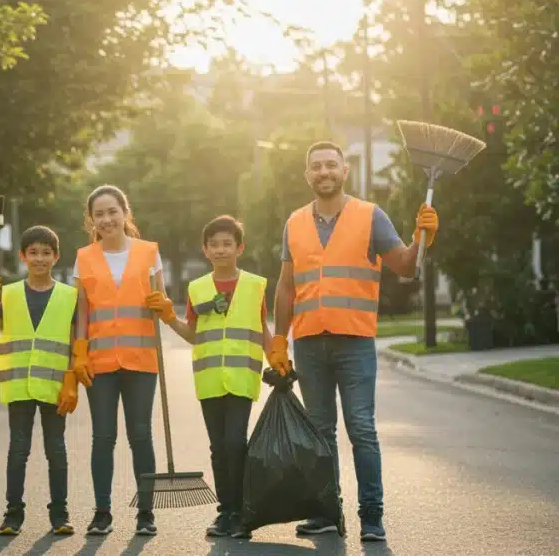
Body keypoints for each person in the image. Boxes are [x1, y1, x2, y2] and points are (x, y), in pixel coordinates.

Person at [269, 141, 440, 542]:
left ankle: (372, 517)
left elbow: (405, 266)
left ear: (345, 171)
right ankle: (327, 512)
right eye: (316, 166)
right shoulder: (294, 223)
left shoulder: (370, 216)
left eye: (331, 164)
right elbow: (286, 286)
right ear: (307, 175)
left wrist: (423, 237)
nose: (324, 172)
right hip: (309, 342)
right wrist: (279, 339)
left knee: (361, 428)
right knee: (320, 432)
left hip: (355, 342)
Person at [145, 215, 270, 539]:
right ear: (205, 250)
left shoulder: (255, 285)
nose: (220, 250)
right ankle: (226, 513)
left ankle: (241, 512)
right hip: (209, 378)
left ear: (240, 247)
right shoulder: (197, 288)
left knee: (235, 443)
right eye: (214, 245)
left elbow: (262, 328)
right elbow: (193, 334)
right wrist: (169, 318)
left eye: (227, 244)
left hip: (242, 377)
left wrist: (278, 357)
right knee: (218, 447)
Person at [72, 184, 163, 536]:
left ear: (126, 213)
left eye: (113, 211)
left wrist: (163, 306)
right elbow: (82, 311)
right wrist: (80, 351)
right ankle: (102, 512)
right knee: (103, 436)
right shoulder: (84, 257)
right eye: (99, 214)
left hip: (141, 360)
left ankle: (146, 513)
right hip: (100, 362)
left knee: (140, 435)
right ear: (91, 220)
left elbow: (161, 301)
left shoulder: (149, 252)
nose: (107, 219)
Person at [0, 225, 79, 536]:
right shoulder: (7, 293)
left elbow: (75, 342)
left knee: (56, 450)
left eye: (46, 253)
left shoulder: (70, 296)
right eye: (33, 252)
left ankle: (60, 514)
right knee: (18, 450)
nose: (39, 258)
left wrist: (72, 381)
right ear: (23, 256)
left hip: (54, 386)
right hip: (18, 384)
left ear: (56, 257)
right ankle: (13, 515)